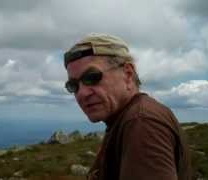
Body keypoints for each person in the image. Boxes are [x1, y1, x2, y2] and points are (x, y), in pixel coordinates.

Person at [63, 33, 192, 180]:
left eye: (92, 77)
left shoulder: (142, 122)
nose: (82, 93)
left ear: (128, 74)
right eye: (73, 85)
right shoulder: (127, 119)